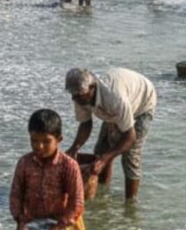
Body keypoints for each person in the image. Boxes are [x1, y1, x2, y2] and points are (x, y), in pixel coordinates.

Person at [9, 109, 87, 230]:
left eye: (46, 141)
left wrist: (60, 226)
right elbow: (16, 195)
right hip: (34, 222)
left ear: (59, 140)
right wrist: (20, 221)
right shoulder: (24, 163)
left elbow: (77, 201)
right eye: (34, 141)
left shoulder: (69, 166)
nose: (39, 146)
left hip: (65, 224)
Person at [64, 68, 157, 201]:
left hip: (143, 101)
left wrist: (105, 160)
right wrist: (74, 149)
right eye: (72, 94)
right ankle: (103, 192)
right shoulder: (80, 96)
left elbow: (130, 137)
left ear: (92, 87)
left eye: (78, 95)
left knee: (130, 156)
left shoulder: (114, 97)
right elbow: (85, 124)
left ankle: (130, 203)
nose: (74, 98)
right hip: (117, 105)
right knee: (102, 149)